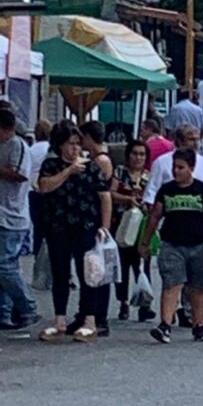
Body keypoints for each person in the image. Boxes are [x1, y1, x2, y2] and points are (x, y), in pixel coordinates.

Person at [141, 147, 203, 344]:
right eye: (174, 167)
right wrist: (145, 242)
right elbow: (155, 217)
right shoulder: (167, 190)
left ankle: (198, 325)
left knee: (198, 287)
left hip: (199, 244)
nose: (176, 171)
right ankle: (165, 325)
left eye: (181, 167)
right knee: (172, 283)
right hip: (172, 244)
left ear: (191, 168)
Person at [38, 122, 112, 343]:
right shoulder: (51, 165)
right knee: (60, 272)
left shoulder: (91, 167)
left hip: (86, 226)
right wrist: (68, 171)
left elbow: (104, 195)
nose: (75, 149)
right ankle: (59, 319)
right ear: (60, 145)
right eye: (71, 144)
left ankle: (89, 321)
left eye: (78, 144)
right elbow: (44, 186)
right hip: (57, 226)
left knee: (87, 272)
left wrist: (105, 227)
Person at [0, 108, 38, 330]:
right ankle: (4, 312)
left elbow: (19, 175)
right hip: (2, 214)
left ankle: (27, 306)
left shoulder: (17, 145)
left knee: (5, 266)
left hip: (12, 215)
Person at [78, 121, 114, 336]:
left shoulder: (100, 161)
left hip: (99, 221)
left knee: (97, 268)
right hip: (94, 220)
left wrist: (104, 226)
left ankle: (98, 315)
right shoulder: (95, 158)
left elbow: (103, 194)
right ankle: (88, 312)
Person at [111, 139, 152, 322]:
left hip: (142, 225)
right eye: (135, 153)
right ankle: (124, 302)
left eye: (142, 154)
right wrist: (127, 199)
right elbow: (110, 193)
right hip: (121, 223)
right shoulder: (120, 172)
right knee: (123, 265)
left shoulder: (149, 176)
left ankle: (145, 303)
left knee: (143, 265)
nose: (138, 157)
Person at [164, 90, 203, 161]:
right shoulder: (198, 109)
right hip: (197, 144)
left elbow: (169, 130)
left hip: (180, 145)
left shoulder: (175, 109)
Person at [28, 119, 51, 256]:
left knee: (37, 225)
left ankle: (37, 251)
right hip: (48, 189)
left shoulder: (31, 149)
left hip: (33, 189)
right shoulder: (50, 148)